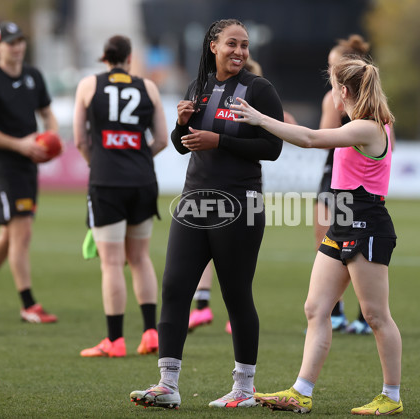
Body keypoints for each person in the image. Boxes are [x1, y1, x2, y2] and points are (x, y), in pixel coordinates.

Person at [231, 57, 403, 415]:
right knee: (315, 308)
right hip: (342, 222)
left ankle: (391, 396)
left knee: (375, 316)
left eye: (333, 88)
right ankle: (301, 391)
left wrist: (261, 119)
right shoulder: (363, 124)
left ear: (343, 91)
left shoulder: (369, 127)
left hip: (366, 223)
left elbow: (311, 139)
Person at [129, 18, 284, 409]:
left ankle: (245, 389)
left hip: (240, 203)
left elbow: (272, 147)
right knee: (175, 287)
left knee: (235, 295)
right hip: (194, 200)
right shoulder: (198, 86)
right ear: (213, 45)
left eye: (245, 45)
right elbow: (185, 146)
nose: (240, 52)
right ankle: (167, 385)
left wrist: (220, 139)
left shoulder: (259, 90)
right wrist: (183, 125)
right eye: (232, 44)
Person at [73, 35, 168, 358]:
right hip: (142, 181)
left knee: (112, 262)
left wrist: (98, 162)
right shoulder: (148, 87)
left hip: (107, 181)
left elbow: (80, 140)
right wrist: (137, 158)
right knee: (140, 259)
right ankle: (151, 333)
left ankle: (114, 340)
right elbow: (161, 140)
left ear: (105, 59)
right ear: (129, 59)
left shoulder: (89, 85)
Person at [187, 56, 295, 336]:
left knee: (221, 260)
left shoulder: (257, 92)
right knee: (218, 258)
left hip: (238, 190)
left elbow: (275, 144)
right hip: (230, 189)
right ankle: (212, 310)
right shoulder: (210, 89)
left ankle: (204, 307)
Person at [0, 22, 58, 323]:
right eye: (9, 42)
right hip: (5, 168)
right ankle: (28, 304)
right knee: (21, 234)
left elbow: (46, 113)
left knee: (9, 236)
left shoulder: (33, 76)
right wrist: (19, 145)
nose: (16, 46)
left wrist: (52, 139)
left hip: (28, 165)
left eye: (19, 40)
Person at [316, 35, 375, 335]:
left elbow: (319, 138)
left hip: (341, 179)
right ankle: (343, 314)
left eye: (333, 66)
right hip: (343, 176)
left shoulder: (343, 102)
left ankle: (350, 315)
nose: (329, 72)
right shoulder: (375, 103)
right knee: (337, 243)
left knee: (343, 246)